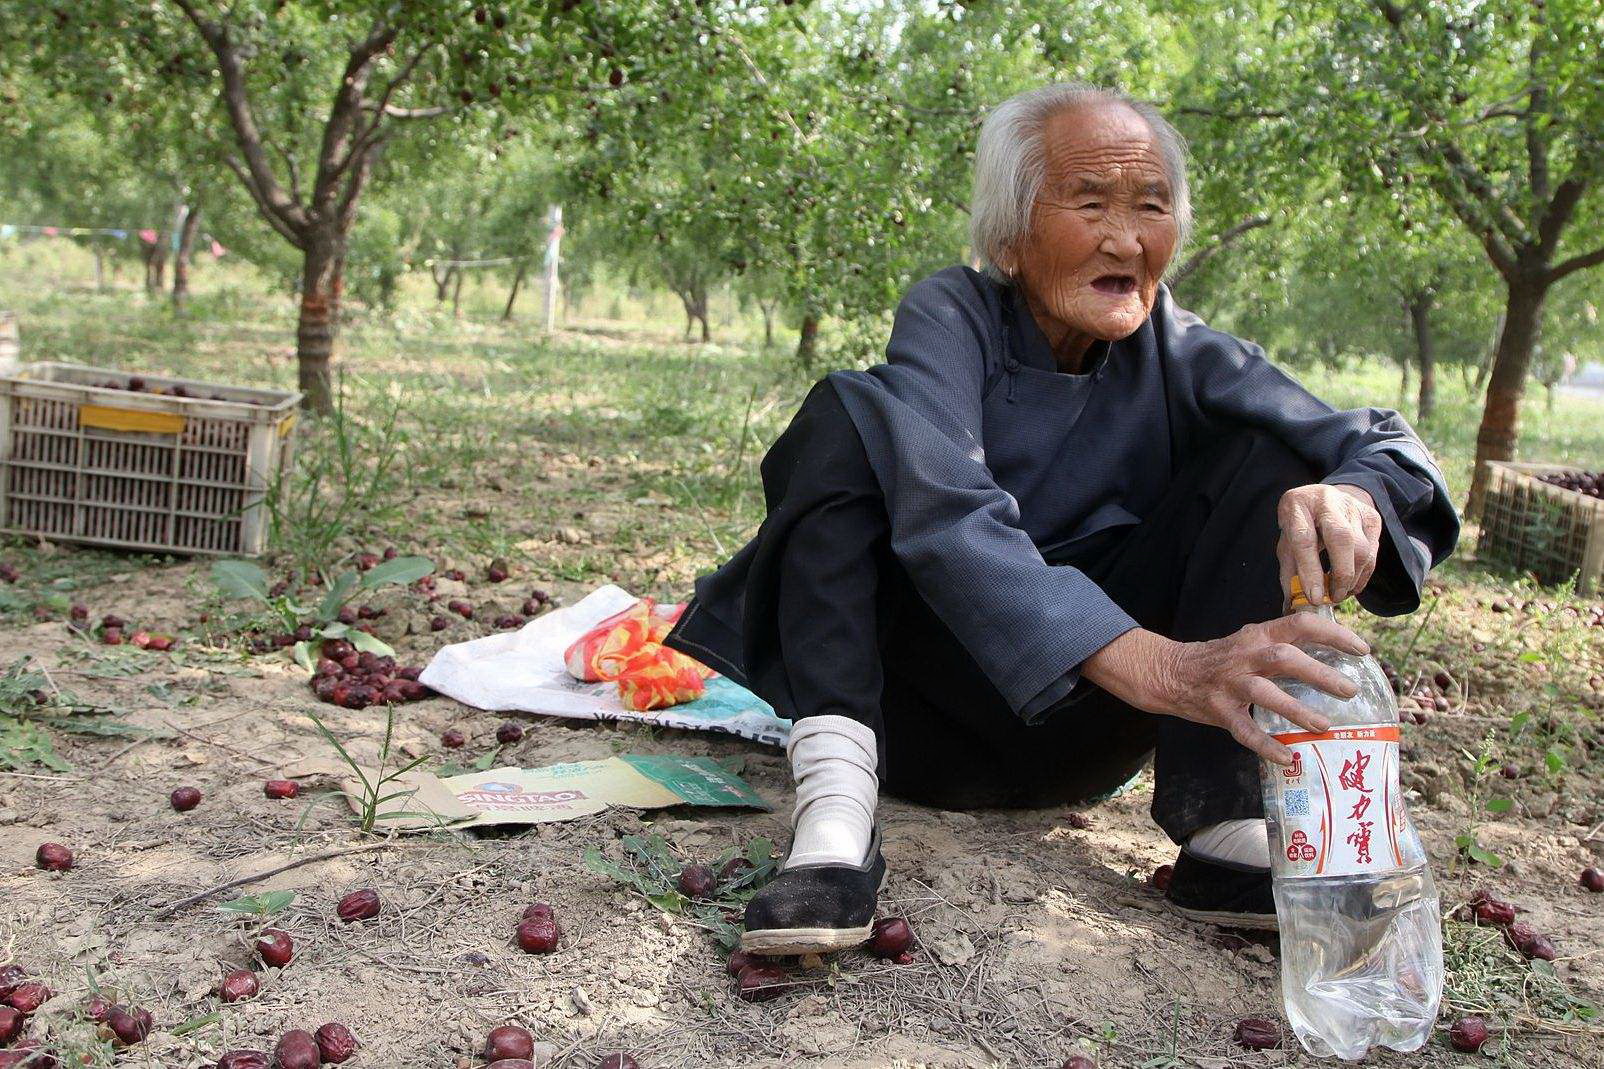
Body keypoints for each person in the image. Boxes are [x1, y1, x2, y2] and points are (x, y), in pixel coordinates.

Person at [662, 83, 1460, 955]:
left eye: (1150, 207)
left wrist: (1356, 495)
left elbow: (1386, 443)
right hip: (914, 725)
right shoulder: (950, 314)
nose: (1126, 238)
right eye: (1090, 204)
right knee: (853, 413)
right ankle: (836, 819)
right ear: (1010, 235)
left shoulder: (1179, 351)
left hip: (1083, 736)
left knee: (1277, 455)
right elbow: (949, 516)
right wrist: (1164, 666)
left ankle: (1224, 827)